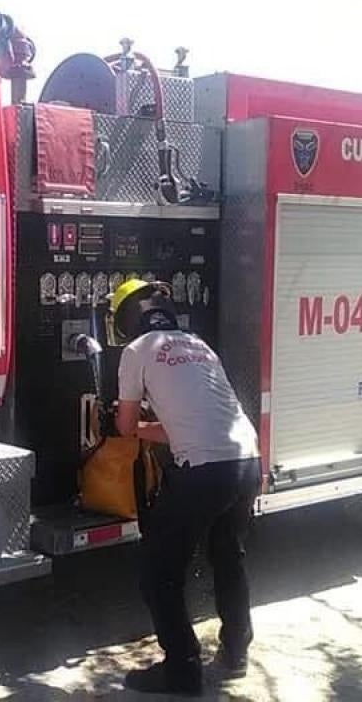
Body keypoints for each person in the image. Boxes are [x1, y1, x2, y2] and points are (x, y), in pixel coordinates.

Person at [105, 279, 261, 696]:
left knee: (159, 573)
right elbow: (189, 423)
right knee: (228, 555)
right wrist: (153, 428)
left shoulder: (136, 352)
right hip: (246, 461)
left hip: (203, 472)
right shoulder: (199, 345)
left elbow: (124, 428)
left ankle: (183, 668)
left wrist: (130, 426)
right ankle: (236, 653)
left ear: (125, 321)